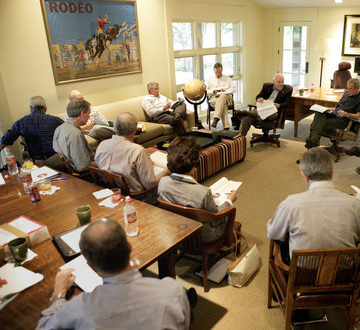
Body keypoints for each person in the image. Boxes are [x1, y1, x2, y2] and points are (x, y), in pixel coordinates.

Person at [36, 219, 190, 330]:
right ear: (130, 247)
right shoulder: (173, 290)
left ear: (91, 267)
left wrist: (58, 294)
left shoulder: (77, 310)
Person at [267, 147, 360, 262]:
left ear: (304, 175)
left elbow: (273, 233)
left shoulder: (291, 203)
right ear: (332, 173)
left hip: (302, 274)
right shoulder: (357, 204)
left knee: (286, 237)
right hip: (344, 273)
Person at [158, 136, 237, 244]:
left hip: (177, 231)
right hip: (203, 237)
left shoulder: (162, 183)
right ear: (194, 167)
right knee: (229, 212)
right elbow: (216, 217)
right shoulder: (203, 192)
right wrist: (229, 201)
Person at [95, 113, 169, 204]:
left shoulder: (102, 144)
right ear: (135, 130)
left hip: (110, 191)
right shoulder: (138, 150)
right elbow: (150, 184)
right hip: (138, 197)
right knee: (170, 178)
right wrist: (167, 170)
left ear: (115, 128)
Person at [0, 96, 65, 170]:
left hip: (35, 163)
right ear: (45, 108)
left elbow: (7, 139)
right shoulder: (55, 120)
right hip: (55, 160)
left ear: (31, 108)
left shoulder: (21, 122)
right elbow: (69, 131)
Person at [304, 78, 360, 150]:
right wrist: (324, 108)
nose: (348, 90)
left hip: (344, 120)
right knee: (319, 113)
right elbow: (337, 108)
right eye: (347, 88)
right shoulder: (346, 95)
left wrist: (346, 114)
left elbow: (359, 116)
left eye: (350, 89)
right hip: (335, 115)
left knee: (316, 124)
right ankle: (313, 142)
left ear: (358, 88)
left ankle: (311, 147)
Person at [53, 99, 95, 173]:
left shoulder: (59, 128)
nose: (89, 116)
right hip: (84, 176)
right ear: (82, 113)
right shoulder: (76, 134)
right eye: (89, 113)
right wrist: (104, 163)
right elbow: (83, 167)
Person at [204, 63, 236, 129]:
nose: (218, 74)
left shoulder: (227, 78)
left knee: (223, 96)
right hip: (214, 98)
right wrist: (212, 91)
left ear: (222, 70)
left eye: (219, 72)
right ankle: (226, 127)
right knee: (222, 104)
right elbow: (205, 90)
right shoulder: (209, 79)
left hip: (227, 97)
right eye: (216, 72)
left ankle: (216, 118)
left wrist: (224, 90)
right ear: (214, 71)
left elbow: (234, 89)